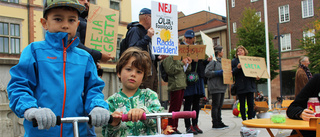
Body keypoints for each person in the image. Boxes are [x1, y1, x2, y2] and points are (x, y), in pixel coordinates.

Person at [6, 0, 112, 136]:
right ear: (44, 23)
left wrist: (97, 106)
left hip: (78, 132)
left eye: (71, 20)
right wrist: (31, 109)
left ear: (78, 24)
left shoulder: (85, 57)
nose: (65, 25)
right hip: (42, 132)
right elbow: (19, 86)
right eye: (58, 19)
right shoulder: (34, 51)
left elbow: (93, 89)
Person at [102, 47, 164, 137]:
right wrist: (113, 124)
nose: (133, 74)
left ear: (143, 77)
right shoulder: (111, 102)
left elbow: (160, 120)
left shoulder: (150, 96)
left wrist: (143, 112)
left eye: (139, 72)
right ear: (119, 72)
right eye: (128, 69)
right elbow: (106, 134)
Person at [181, 29, 212, 134]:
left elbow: (201, 62)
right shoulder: (181, 47)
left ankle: (195, 124)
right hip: (188, 78)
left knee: (196, 103)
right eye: (187, 38)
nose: (189, 40)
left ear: (194, 38)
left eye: (191, 38)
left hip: (197, 77)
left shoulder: (198, 48)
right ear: (184, 38)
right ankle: (187, 125)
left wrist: (206, 61)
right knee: (188, 103)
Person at [124, 8, 160, 92]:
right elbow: (132, 49)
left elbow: (148, 51)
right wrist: (147, 37)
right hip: (141, 67)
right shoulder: (135, 30)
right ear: (147, 17)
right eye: (152, 18)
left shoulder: (146, 32)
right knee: (145, 94)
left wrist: (158, 57)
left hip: (150, 67)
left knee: (152, 93)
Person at [76, 0, 114, 76]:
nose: (86, 2)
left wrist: (95, 62)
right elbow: (76, 45)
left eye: (88, 0)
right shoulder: (76, 21)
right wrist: (100, 55)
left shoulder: (85, 21)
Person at [162, 56, 192, 134]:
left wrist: (188, 64)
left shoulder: (179, 57)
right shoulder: (169, 57)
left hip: (181, 84)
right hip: (175, 85)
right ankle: (171, 127)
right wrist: (182, 63)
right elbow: (170, 70)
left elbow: (185, 70)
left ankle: (175, 127)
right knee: (173, 108)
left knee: (177, 108)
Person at [232, 45, 260, 121]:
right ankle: (244, 119)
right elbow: (232, 73)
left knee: (250, 103)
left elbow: (253, 71)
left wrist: (257, 77)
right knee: (242, 103)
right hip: (240, 85)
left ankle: (250, 119)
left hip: (249, 85)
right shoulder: (234, 61)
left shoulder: (249, 60)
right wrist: (237, 68)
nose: (239, 52)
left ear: (244, 52)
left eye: (241, 50)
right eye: (238, 51)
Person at [205, 45, 229, 129]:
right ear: (218, 52)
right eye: (222, 51)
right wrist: (217, 73)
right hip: (215, 87)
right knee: (216, 105)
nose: (223, 52)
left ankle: (219, 121)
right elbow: (207, 72)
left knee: (219, 105)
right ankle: (215, 123)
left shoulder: (224, 62)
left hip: (222, 86)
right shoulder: (213, 62)